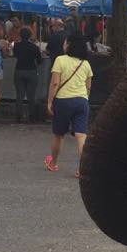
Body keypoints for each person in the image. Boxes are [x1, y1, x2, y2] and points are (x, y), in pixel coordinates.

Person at [45, 34, 93, 176]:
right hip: (82, 101)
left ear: (70, 45)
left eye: (66, 43)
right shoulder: (86, 64)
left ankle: (53, 163)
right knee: (81, 135)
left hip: (63, 101)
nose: (64, 45)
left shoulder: (60, 60)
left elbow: (54, 83)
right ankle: (83, 169)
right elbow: (88, 86)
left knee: (59, 134)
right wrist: (84, 99)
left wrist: (49, 101)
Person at [13, 27, 43, 123]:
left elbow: (15, 55)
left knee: (20, 95)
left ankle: (18, 117)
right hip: (31, 71)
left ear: (20, 35)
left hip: (19, 70)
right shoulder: (34, 47)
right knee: (31, 95)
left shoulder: (16, 46)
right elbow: (39, 61)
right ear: (30, 35)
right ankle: (32, 117)